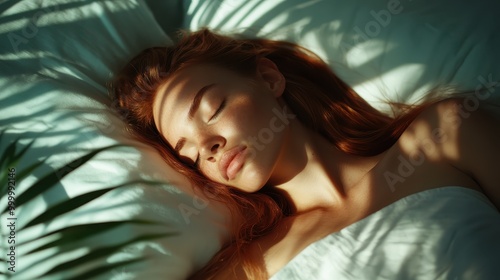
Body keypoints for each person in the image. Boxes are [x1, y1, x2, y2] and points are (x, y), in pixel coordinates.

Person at [109, 28, 500, 279]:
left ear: (268, 78)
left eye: (212, 109)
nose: (207, 149)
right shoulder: (245, 269)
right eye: (189, 153)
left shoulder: (445, 135)